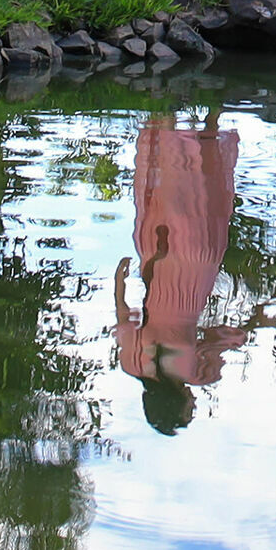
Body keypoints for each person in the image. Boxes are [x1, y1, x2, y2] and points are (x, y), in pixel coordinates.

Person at [113, 109, 248, 435]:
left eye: (190, 410)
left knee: (206, 199)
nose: (195, 405)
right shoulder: (133, 363)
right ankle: (168, 117)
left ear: (178, 405)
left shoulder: (199, 373)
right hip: (155, 262)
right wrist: (120, 278)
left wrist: (253, 321)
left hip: (196, 270)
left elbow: (229, 337)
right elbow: (122, 315)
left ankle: (212, 118)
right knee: (166, 197)